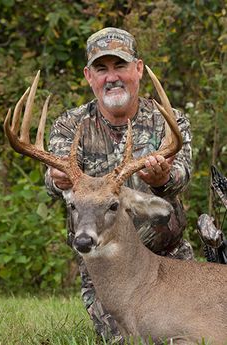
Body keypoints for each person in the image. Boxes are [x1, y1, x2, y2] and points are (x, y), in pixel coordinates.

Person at [45, 27, 194, 343]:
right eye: (102, 69)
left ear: (138, 69)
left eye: (120, 66)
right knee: (125, 339)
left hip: (169, 262)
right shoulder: (70, 126)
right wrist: (56, 179)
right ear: (89, 76)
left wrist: (164, 178)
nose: (111, 77)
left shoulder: (170, 122)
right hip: (105, 264)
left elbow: (182, 176)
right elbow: (54, 177)